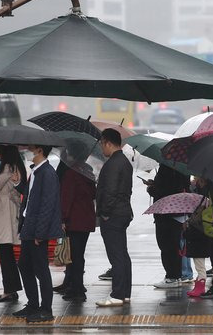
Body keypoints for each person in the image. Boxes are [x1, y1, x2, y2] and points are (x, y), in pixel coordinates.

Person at [12, 145, 63, 323]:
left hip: (37, 230)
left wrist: (40, 233)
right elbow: (31, 196)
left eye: (31, 148)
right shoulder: (35, 171)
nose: (28, 151)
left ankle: (46, 309)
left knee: (41, 269)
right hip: (28, 226)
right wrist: (18, 183)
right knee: (25, 265)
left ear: (40, 150)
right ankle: (33, 304)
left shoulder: (48, 173)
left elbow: (47, 206)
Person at [95, 129, 133, 307]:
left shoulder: (112, 164)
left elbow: (109, 191)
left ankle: (117, 294)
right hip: (123, 212)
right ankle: (125, 292)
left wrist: (105, 213)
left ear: (107, 142)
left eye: (102, 144)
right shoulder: (125, 162)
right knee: (122, 254)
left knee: (116, 255)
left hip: (113, 215)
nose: (102, 148)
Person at [57, 140, 97, 302]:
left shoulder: (71, 173)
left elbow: (66, 198)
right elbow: (94, 194)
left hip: (74, 220)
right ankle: (76, 286)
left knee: (74, 256)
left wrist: (62, 218)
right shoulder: (87, 170)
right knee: (79, 255)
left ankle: (77, 289)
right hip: (86, 220)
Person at [0, 145, 26, 303]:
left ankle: (8, 291)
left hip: (4, 215)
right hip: (10, 213)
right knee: (7, 254)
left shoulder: (8, 168)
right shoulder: (16, 167)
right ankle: (12, 289)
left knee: (5, 254)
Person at [146, 164, 190, 288]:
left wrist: (151, 188)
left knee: (167, 246)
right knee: (174, 246)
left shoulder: (167, 168)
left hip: (166, 212)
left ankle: (172, 276)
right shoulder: (182, 168)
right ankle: (176, 275)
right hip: (178, 211)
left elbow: (163, 190)